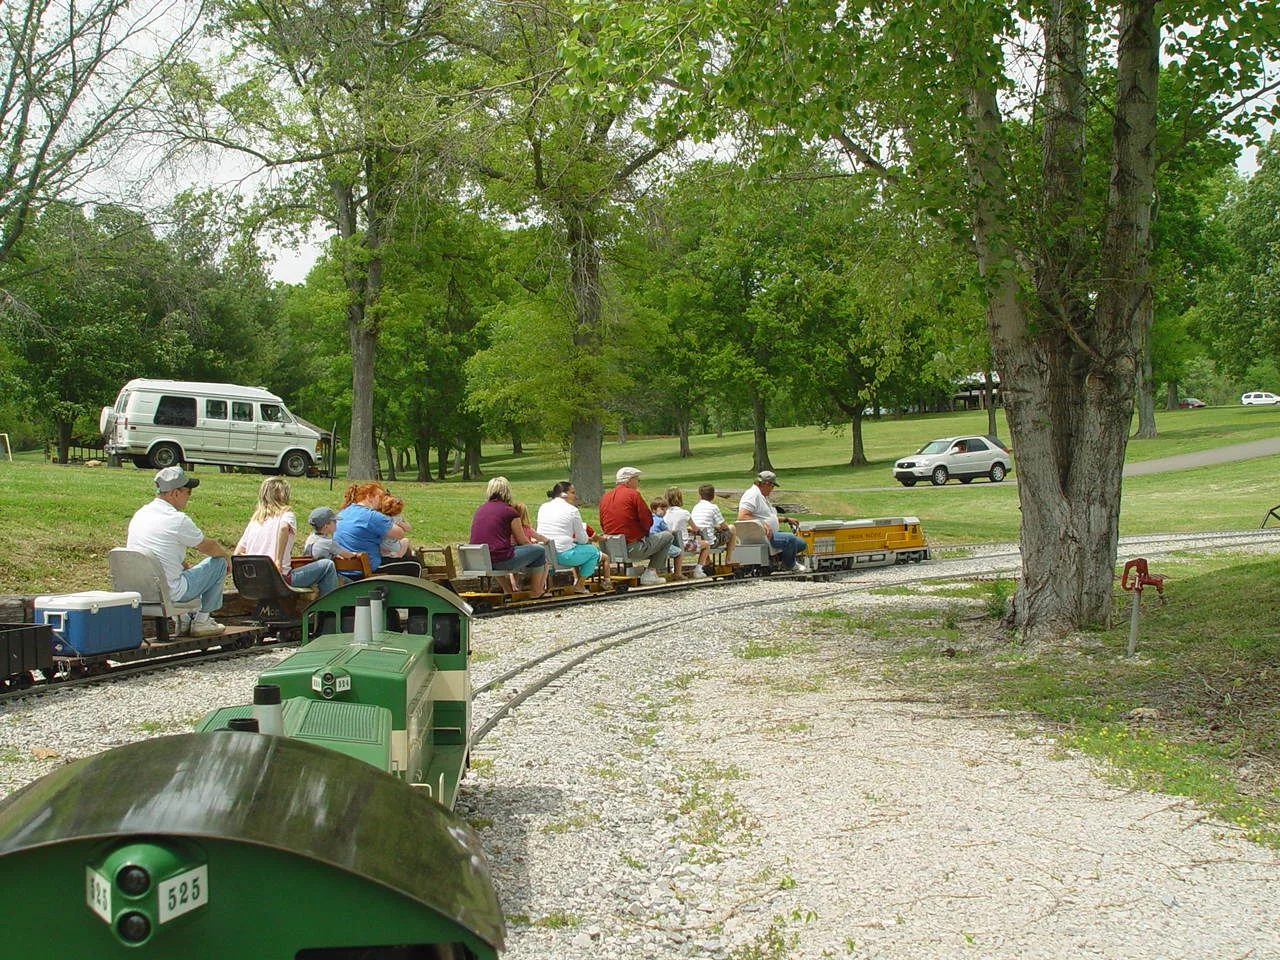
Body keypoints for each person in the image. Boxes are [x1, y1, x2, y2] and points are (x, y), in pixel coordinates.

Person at [126, 466, 230, 638]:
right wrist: (227, 557)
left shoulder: (140, 515)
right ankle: (202, 621)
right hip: (171, 592)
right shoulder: (177, 519)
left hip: (141, 589)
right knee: (219, 563)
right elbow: (208, 546)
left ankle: (183, 619)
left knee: (179, 569)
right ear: (175, 493)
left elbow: (157, 551)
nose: (189, 497)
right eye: (188, 492)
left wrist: (182, 565)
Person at [234, 476, 339, 597]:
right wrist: (278, 561)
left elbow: (237, 553)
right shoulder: (287, 515)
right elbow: (284, 528)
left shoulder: (255, 521)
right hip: (280, 580)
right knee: (327, 566)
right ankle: (327, 612)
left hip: (253, 581)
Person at [469, 477, 548, 598]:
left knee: (499, 550)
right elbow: (523, 541)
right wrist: (533, 550)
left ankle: (507, 589)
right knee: (539, 551)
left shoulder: (480, 509)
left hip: (481, 559)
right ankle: (536, 590)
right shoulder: (509, 512)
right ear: (507, 491)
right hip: (500, 560)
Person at [598, 466, 673, 586]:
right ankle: (651, 573)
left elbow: (602, 523)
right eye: (637, 480)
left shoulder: (605, 497)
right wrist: (644, 533)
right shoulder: (633, 495)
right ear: (629, 480)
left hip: (610, 548)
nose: (638, 483)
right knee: (667, 536)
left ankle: (630, 570)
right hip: (633, 548)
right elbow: (647, 520)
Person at [536, 481, 602, 594]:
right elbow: (582, 539)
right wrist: (588, 539)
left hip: (545, 552)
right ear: (563, 494)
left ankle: (547, 587)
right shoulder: (572, 510)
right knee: (593, 552)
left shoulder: (543, 507)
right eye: (573, 492)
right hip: (562, 555)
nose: (575, 495)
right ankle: (580, 585)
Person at [737, 470, 809, 571]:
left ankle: (778, 561)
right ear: (766, 484)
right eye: (772, 486)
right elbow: (742, 516)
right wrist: (763, 524)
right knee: (790, 539)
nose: (772, 490)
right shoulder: (752, 495)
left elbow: (765, 516)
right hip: (762, 535)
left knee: (801, 543)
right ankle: (790, 565)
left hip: (768, 532)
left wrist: (785, 519)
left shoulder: (761, 495)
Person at [334, 482, 411, 574]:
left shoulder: (343, 512)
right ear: (369, 496)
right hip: (366, 567)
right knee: (414, 564)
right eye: (380, 497)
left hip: (343, 567)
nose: (382, 501)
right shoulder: (371, 516)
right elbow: (400, 534)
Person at [664, 486, 711, 578]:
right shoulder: (684, 513)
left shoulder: (665, 513)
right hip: (685, 545)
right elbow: (696, 529)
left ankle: (675, 568)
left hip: (671, 544)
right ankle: (698, 569)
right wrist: (689, 529)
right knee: (706, 544)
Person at [690, 483, 736, 563]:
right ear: (713, 496)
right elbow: (725, 527)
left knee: (705, 534)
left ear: (700, 496)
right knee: (732, 528)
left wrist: (715, 527)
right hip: (710, 542)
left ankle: (707, 560)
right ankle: (728, 559)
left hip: (699, 540)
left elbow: (702, 524)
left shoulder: (696, 507)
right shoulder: (713, 507)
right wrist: (719, 527)